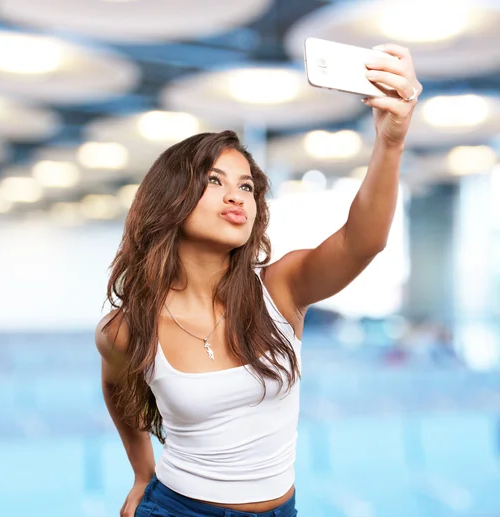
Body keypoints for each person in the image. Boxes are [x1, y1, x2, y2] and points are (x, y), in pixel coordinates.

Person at [95, 43, 422, 517]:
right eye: (214, 181)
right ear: (170, 199)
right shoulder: (126, 326)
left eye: (246, 185)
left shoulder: (281, 287)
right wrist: (142, 471)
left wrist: (390, 142)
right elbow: (115, 389)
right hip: (175, 508)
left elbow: (362, 242)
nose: (237, 196)